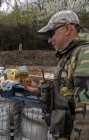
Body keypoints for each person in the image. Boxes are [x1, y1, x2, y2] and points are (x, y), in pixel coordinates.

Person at [20, 10, 89, 140]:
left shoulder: (85, 54)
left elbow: (86, 114)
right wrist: (38, 90)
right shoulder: (69, 55)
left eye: (51, 33)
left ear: (67, 28)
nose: (49, 40)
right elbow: (67, 96)